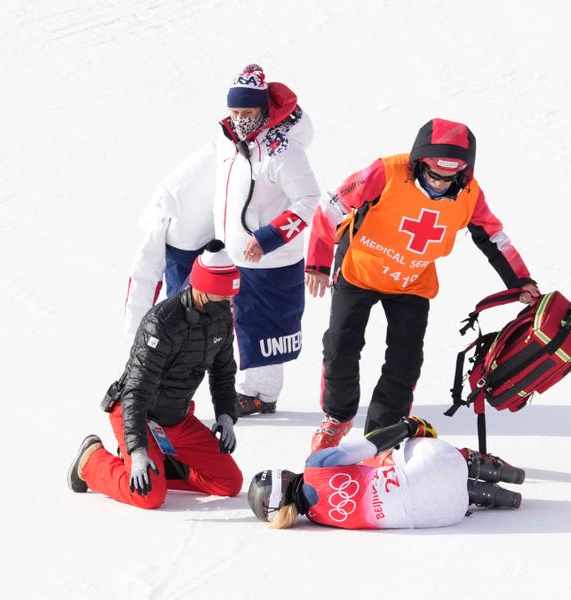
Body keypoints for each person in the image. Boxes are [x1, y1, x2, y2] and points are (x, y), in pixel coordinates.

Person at [304, 118, 541, 451]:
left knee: (406, 359)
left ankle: (382, 434)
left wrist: (521, 281)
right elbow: (331, 206)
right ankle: (337, 418)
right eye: (432, 175)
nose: (440, 185)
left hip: (411, 281)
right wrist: (317, 261)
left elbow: (493, 236)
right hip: (359, 268)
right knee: (341, 345)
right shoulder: (386, 172)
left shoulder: (470, 194)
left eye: (449, 178)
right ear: (418, 164)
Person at [123, 64, 320, 418]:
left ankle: (261, 394)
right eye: (235, 111)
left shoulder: (282, 149)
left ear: (262, 109)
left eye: (248, 112)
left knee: (263, 324)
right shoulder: (227, 140)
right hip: (232, 250)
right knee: (226, 321)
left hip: (270, 257)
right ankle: (189, 385)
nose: (241, 118)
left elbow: (309, 201)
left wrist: (269, 237)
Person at [68, 241, 244, 509]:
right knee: (149, 497)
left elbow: (223, 372)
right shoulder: (161, 323)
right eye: (221, 297)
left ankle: (160, 463)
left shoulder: (221, 319)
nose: (226, 305)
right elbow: (136, 391)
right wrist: (137, 449)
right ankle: (92, 461)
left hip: (176, 418)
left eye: (229, 299)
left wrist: (225, 416)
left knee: (228, 483)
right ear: (202, 287)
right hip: (138, 413)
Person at [247, 417, 524, 530]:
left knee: (395, 478)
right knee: (395, 452)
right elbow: (370, 445)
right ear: (284, 476)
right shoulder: (315, 466)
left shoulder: (322, 521)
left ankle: (485, 495)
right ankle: (488, 467)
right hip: (440, 465)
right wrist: (408, 426)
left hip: (445, 516)